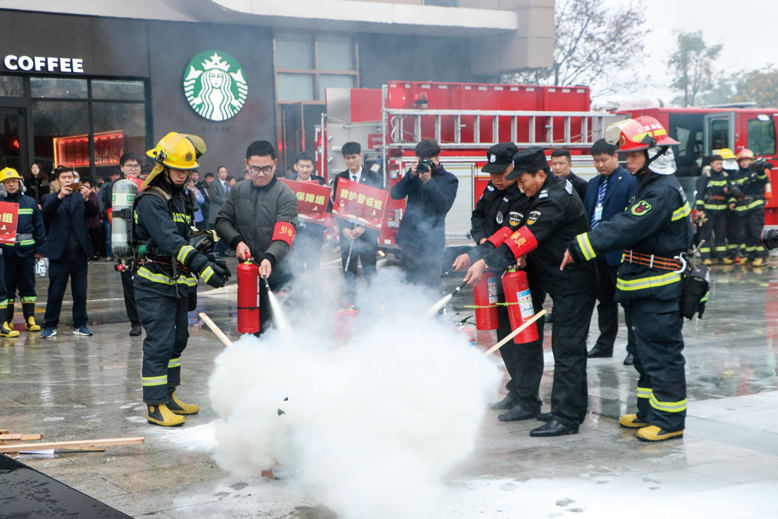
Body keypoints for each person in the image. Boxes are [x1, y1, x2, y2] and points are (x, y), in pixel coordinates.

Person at [562, 116, 693, 442]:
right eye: (627, 154)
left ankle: (669, 419)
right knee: (644, 353)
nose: (627, 160)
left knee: (661, 353)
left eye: (634, 155)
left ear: (656, 153)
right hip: (643, 285)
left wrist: (582, 245)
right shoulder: (648, 184)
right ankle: (649, 412)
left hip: (658, 287)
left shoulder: (661, 190)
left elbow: (628, 226)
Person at [464, 147, 597, 437]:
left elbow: (525, 237)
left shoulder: (555, 198)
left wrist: (487, 260)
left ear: (540, 173)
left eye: (522, 180)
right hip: (554, 279)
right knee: (563, 347)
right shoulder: (536, 193)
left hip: (574, 283)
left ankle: (567, 417)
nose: (519, 186)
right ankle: (566, 407)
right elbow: (510, 230)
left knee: (567, 348)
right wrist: (481, 254)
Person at [134, 132, 229, 426]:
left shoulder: (183, 197)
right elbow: (170, 240)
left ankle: (169, 395)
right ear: (163, 166)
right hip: (153, 282)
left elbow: (189, 236)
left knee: (178, 340)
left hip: (178, 281)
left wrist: (210, 256)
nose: (182, 175)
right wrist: (202, 265)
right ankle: (154, 405)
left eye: (187, 171)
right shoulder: (151, 200)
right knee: (159, 342)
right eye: (177, 169)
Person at [451, 143, 536, 419]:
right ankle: (516, 390)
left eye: (502, 173)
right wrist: (478, 247)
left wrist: (482, 256)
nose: (497, 179)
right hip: (494, 268)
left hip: (519, 274)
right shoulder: (491, 190)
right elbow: (479, 220)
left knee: (521, 336)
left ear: (514, 168)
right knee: (504, 333)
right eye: (492, 174)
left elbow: (510, 234)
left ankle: (528, 398)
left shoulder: (521, 193)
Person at [215, 140, 298, 334]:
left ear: (275, 164)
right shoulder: (238, 191)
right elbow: (221, 221)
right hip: (249, 273)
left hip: (278, 272)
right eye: (256, 169)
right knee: (251, 327)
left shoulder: (285, 195)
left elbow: (285, 232)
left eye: (267, 169)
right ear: (247, 165)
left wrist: (270, 257)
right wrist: (237, 241)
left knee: (277, 329)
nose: (261, 174)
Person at [583, 139, 638, 365]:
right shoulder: (593, 184)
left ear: (616, 157)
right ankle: (604, 345)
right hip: (597, 253)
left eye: (604, 160)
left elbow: (630, 219)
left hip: (619, 252)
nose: (600, 165)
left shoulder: (630, 182)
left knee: (628, 303)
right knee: (604, 301)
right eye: (596, 161)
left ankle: (634, 348)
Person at [39, 166, 99, 338]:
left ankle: (80, 324)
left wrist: (88, 199)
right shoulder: (49, 197)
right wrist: (60, 196)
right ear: (57, 180)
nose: (67, 180)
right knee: (55, 291)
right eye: (64, 177)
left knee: (80, 290)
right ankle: (50, 325)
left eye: (70, 177)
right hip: (59, 252)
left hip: (79, 251)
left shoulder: (80, 197)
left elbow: (94, 214)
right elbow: (46, 213)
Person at [390, 139, 458, 291]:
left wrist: (428, 181)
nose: (425, 163)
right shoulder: (414, 175)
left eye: (429, 159)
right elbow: (395, 194)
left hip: (432, 243)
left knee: (430, 286)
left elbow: (443, 206)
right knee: (408, 286)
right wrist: (410, 176)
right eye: (422, 159)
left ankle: (433, 314)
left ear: (437, 159)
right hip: (409, 241)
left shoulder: (449, 179)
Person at [331, 142, 382, 304]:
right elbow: (337, 206)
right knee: (348, 271)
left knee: (369, 271)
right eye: (347, 158)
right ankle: (351, 304)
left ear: (360, 156)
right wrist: (344, 228)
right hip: (347, 235)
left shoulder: (374, 177)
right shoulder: (340, 178)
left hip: (367, 234)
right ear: (344, 159)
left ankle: (372, 304)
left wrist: (364, 227)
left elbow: (379, 206)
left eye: (354, 157)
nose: (351, 161)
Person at [0, 167, 46, 336]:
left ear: (19, 183)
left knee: (28, 286)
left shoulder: (30, 202)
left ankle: (30, 319)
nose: (11, 185)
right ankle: (7, 320)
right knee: (7, 288)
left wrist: (40, 250)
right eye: (7, 183)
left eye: (14, 182)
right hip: (6, 253)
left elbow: (39, 227)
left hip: (27, 252)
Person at [730, 148, 770, 266]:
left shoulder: (757, 172)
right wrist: (732, 201)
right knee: (743, 234)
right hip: (741, 208)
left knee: (755, 233)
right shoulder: (736, 175)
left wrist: (761, 171)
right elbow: (733, 191)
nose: (744, 163)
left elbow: (764, 181)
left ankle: (761, 256)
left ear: (752, 161)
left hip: (755, 206)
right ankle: (749, 256)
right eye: (742, 161)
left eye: (747, 160)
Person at [288, 153, 327, 272]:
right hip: (294, 232)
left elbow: (327, 209)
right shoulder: (288, 185)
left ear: (312, 168)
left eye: (308, 166)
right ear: (296, 167)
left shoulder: (320, 185)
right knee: (295, 265)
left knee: (314, 266)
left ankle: (313, 289)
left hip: (314, 233)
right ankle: (298, 289)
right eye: (302, 166)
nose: (305, 170)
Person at [694, 155, 729, 265]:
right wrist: (700, 209)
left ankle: (721, 257)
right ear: (711, 164)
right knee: (705, 234)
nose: (720, 166)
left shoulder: (725, 176)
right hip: (708, 211)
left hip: (722, 211)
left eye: (721, 163)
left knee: (721, 234)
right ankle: (705, 258)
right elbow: (699, 194)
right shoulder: (705, 177)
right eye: (717, 163)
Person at [717, 148, 741, 264]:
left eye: (731, 160)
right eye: (727, 160)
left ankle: (734, 254)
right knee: (724, 232)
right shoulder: (719, 174)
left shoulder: (735, 174)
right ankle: (731, 254)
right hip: (722, 208)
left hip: (735, 207)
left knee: (734, 231)